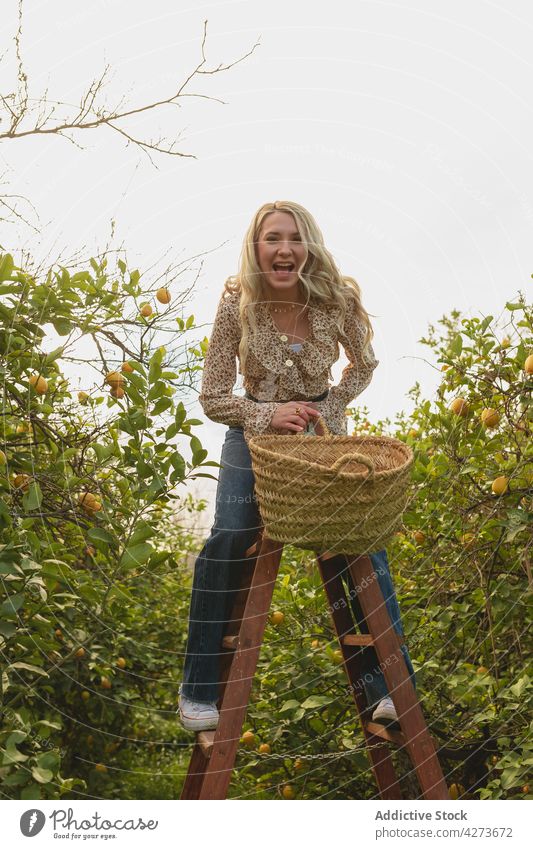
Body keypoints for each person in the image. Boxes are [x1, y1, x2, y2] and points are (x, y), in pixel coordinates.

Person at [178, 200, 415, 732]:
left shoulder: (338, 298)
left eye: (294, 238)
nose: (284, 248)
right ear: (256, 248)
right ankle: (197, 690)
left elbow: (364, 365)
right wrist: (266, 413)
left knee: (360, 540)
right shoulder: (237, 302)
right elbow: (213, 396)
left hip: (321, 435)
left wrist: (326, 409)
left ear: (308, 246)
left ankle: (391, 689)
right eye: (272, 238)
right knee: (229, 536)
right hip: (254, 436)